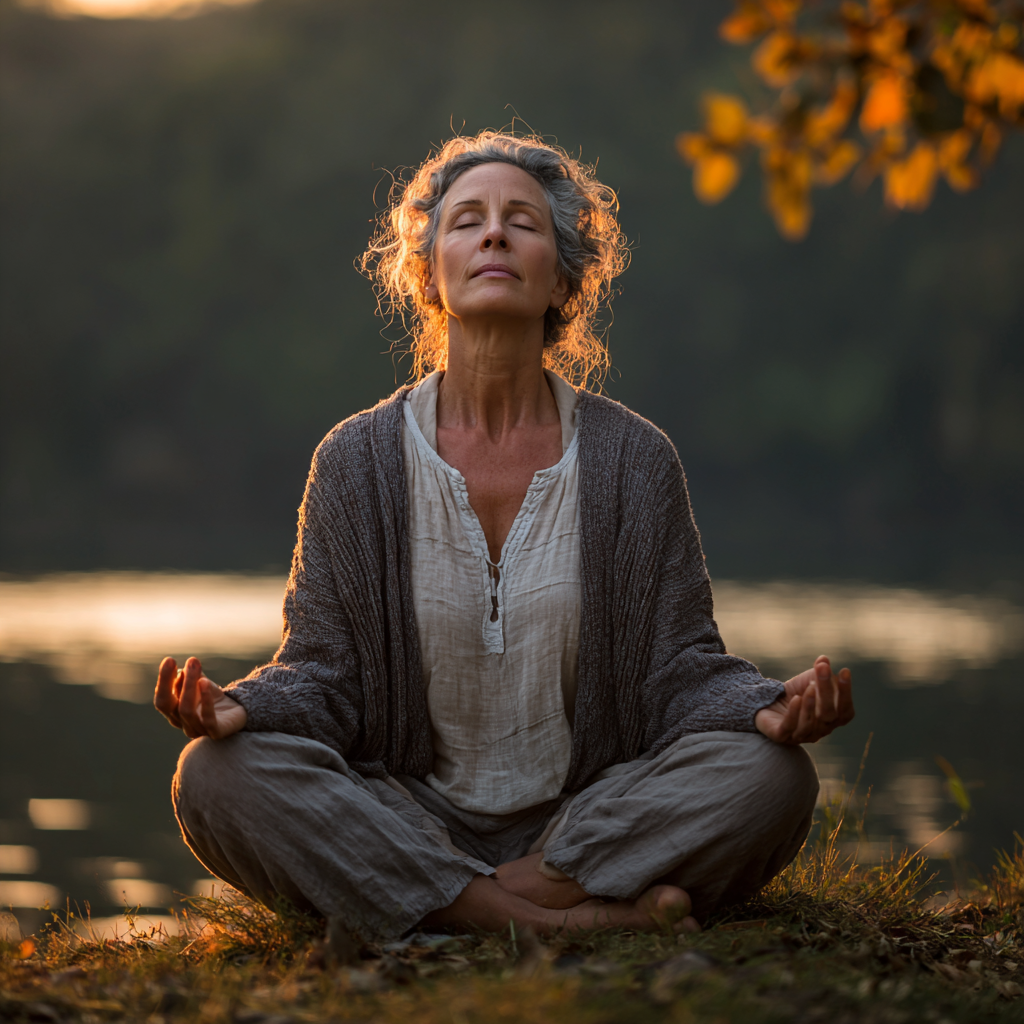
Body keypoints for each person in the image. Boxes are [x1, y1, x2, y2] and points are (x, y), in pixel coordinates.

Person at [155, 131, 854, 941]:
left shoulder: (634, 459)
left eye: (521, 220)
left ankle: (456, 905)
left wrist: (766, 708)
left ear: (562, 275)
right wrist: (241, 708)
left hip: (587, 819)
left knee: (772, 778)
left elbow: (679, 671)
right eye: (468, 221)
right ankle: (563, 924)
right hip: (405, 813)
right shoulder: (356, 460)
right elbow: (324, 673)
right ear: (429, 272)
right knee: (214, 777)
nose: (494, 233)